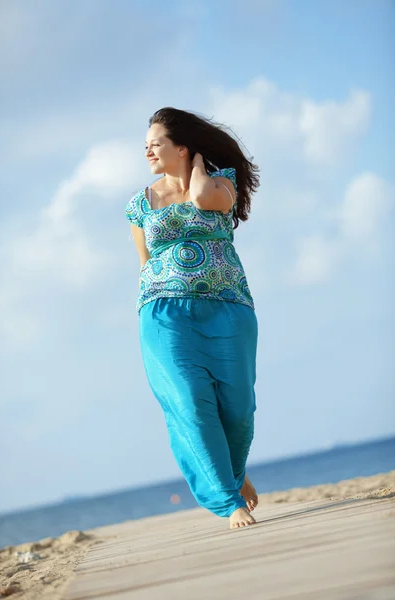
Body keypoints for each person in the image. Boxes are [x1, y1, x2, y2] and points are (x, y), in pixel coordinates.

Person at [125, 107, 260, 529]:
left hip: (228, 307)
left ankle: (233, 475)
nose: (147, 150)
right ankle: (227, 500)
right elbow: (144, 262)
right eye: (145, 145)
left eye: (157, 143)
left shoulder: (222, 185)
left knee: (237, 410)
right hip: (164, 312)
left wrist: (199, 167)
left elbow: (203, 199)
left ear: (182, 147)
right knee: (189, 402)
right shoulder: (138, 205)